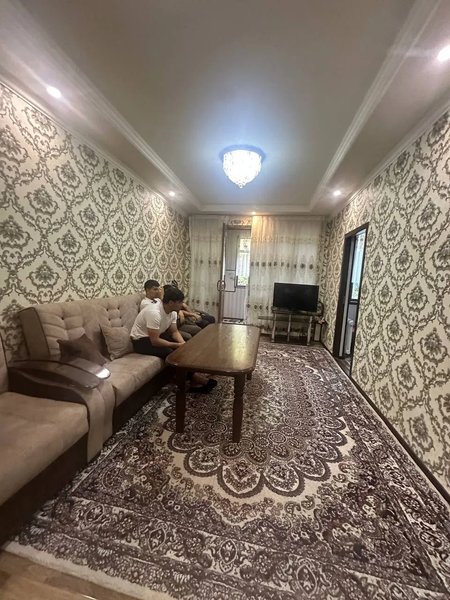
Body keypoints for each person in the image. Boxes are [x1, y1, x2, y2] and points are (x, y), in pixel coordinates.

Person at [131, 286, 216, 392]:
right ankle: (192, 380)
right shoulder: (154, 312)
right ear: (171, 302)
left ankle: (191, 376)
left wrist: (183, 344)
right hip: (140, 341)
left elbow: (174, 332)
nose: (182, 305)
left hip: (156, 336)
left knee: (184, 347)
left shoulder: (173, 312)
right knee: (172, 354)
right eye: (180, 302)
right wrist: (177, 346)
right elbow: (155, 341)